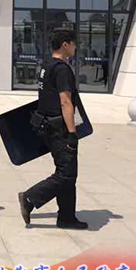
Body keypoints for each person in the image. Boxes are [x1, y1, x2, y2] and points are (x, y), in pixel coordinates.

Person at [18, 28, 88, 230]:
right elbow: (65, 102)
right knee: (67, 174)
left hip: (47, 125)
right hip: (59, 129)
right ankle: (30, 198)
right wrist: (72, 133)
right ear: (65, 45)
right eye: (74, 43)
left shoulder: (47, 65)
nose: (76, 47)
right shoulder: (62, 69)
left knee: (66, 172)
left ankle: (67, 217)